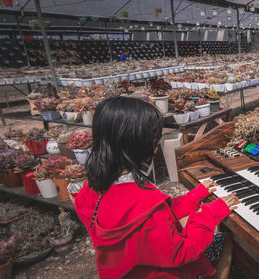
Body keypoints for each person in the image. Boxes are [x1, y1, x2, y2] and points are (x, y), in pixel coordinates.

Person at [75, 97, 239, 279]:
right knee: (225, 240)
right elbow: (182, 253)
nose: (156, 143)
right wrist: (209, 214)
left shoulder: (91, 187)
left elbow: (151, 221)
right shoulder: (146, 202)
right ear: (136, 143)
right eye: (154, 137)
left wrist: (193, 198)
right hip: (165, 273)